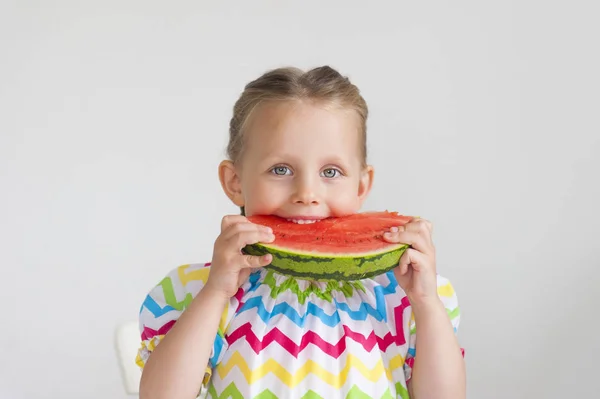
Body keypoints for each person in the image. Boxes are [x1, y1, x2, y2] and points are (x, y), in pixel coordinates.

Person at [135, 66, 465, 399]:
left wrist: (426, 304)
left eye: (331, 171)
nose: (307, 193)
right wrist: (215, 293)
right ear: (235, 182)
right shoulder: (192, 292)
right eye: (281, 169)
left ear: (361, 186)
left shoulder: (401, 297)